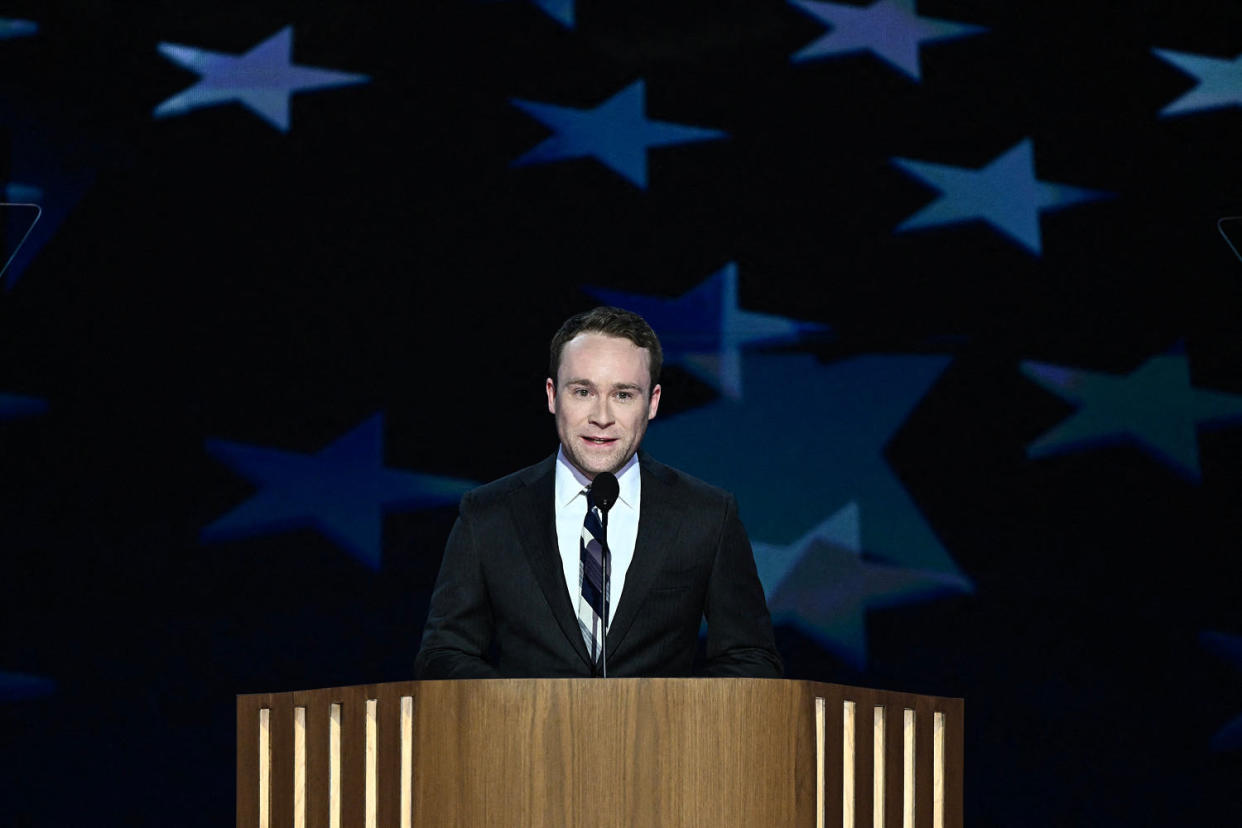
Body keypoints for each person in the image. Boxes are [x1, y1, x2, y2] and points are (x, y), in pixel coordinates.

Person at [415, 306, 782, 679]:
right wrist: (528, 714)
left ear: (652, 402)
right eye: (583, 391)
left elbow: (751, 658)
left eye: (623, 395)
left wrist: (670, 718)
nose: (602, 417)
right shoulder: (488, 514)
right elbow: (443, 654)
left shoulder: (706, 515)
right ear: (552, 395)